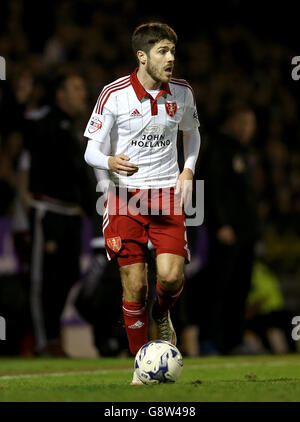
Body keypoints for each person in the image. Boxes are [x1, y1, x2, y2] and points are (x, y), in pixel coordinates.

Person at [84, 22, 200, 383]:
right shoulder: (114, 94)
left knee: (169, 278)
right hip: (124, 199)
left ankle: (162, 315)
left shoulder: (181, 92)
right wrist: (109, 162)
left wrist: (188, 171)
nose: (171, 59)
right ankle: (141, 365)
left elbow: (193, 135)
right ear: (142, 56)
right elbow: (90, 149)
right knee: (135, 285)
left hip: (167, 195)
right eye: (163, 52)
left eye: (173, 51)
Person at [21, 73, 96, 356]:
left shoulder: (75, 129)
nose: (82, 94)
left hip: (72, 215)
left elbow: (81, 175)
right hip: (48, 213)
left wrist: (92, 209)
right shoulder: (45, 122)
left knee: (68, 275)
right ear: (60, 94)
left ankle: (52, 336)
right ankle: (43, 342)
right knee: (43, 280)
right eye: (76, 87)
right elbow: (22, 128)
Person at [197, 104, 260, 355]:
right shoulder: (217, 149)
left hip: (246, 231)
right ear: (231, 122)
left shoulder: (245, 152)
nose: (247, 129)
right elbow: (212, 189)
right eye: (243, 123)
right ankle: (210, 339)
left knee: (240, 287)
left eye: (251, 124)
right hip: (225, 232)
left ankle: (234, 340)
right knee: (219, 287)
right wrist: (221, 224)